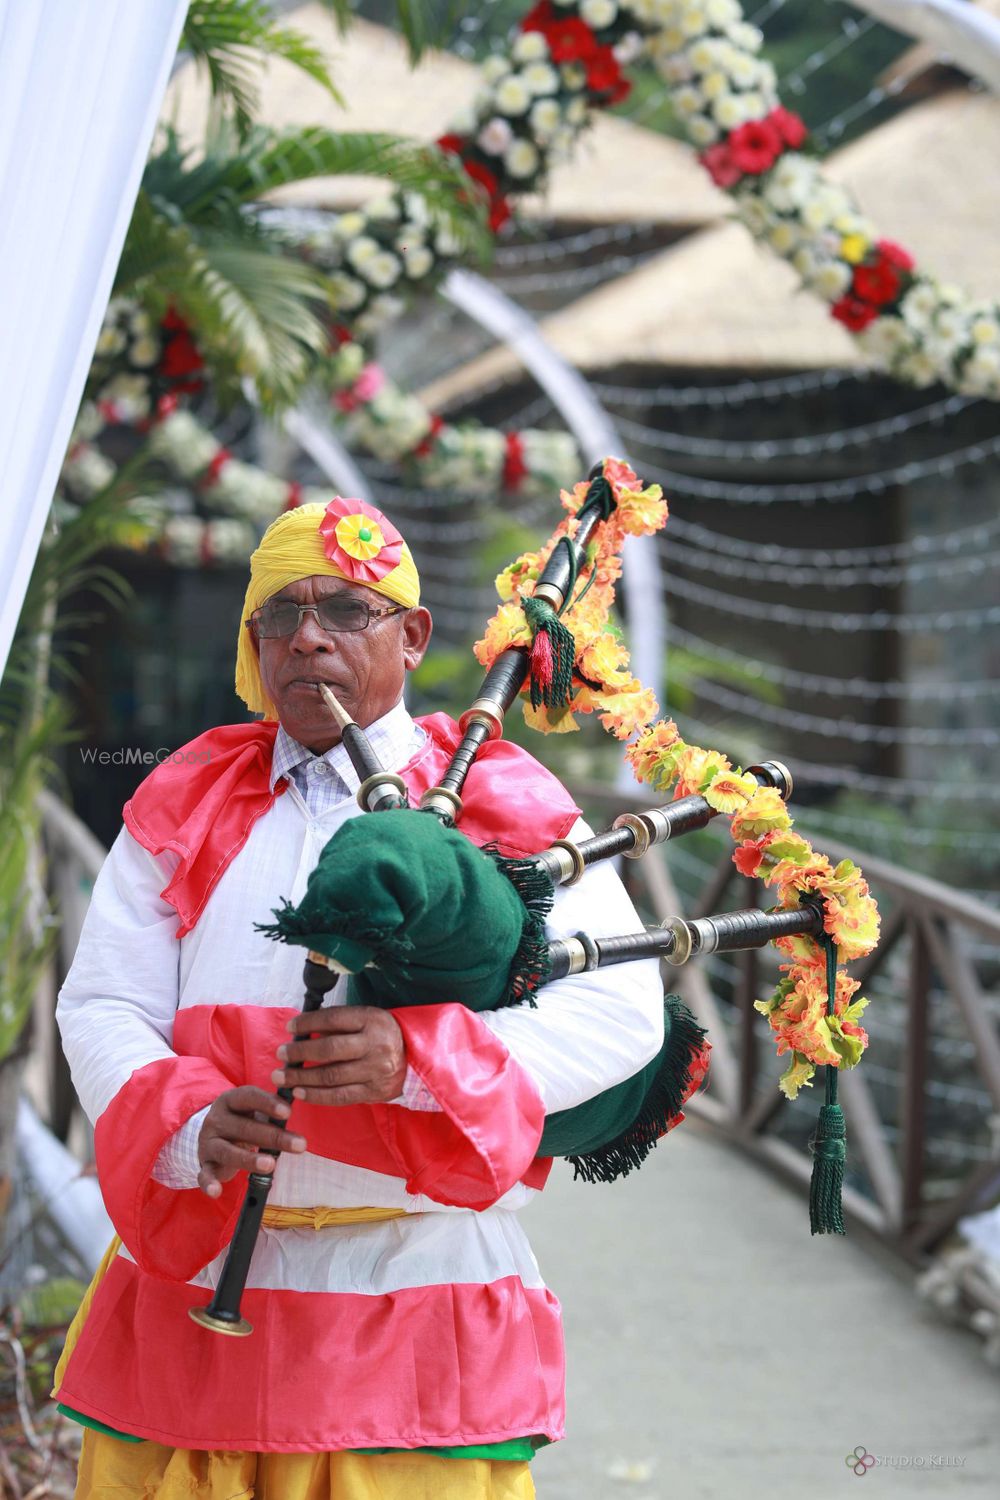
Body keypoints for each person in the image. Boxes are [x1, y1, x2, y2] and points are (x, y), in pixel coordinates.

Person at [54, 496, 665, 1499]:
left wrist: (416, 1060)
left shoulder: (501, 802)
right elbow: (103, 1002)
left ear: (413, 635)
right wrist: (188, 1121)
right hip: (194, 1287)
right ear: (252, 644)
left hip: (413, 1296)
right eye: (279, 616)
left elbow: (617, 1014)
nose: (306, 639)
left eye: (346, 610)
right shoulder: (185, 794)